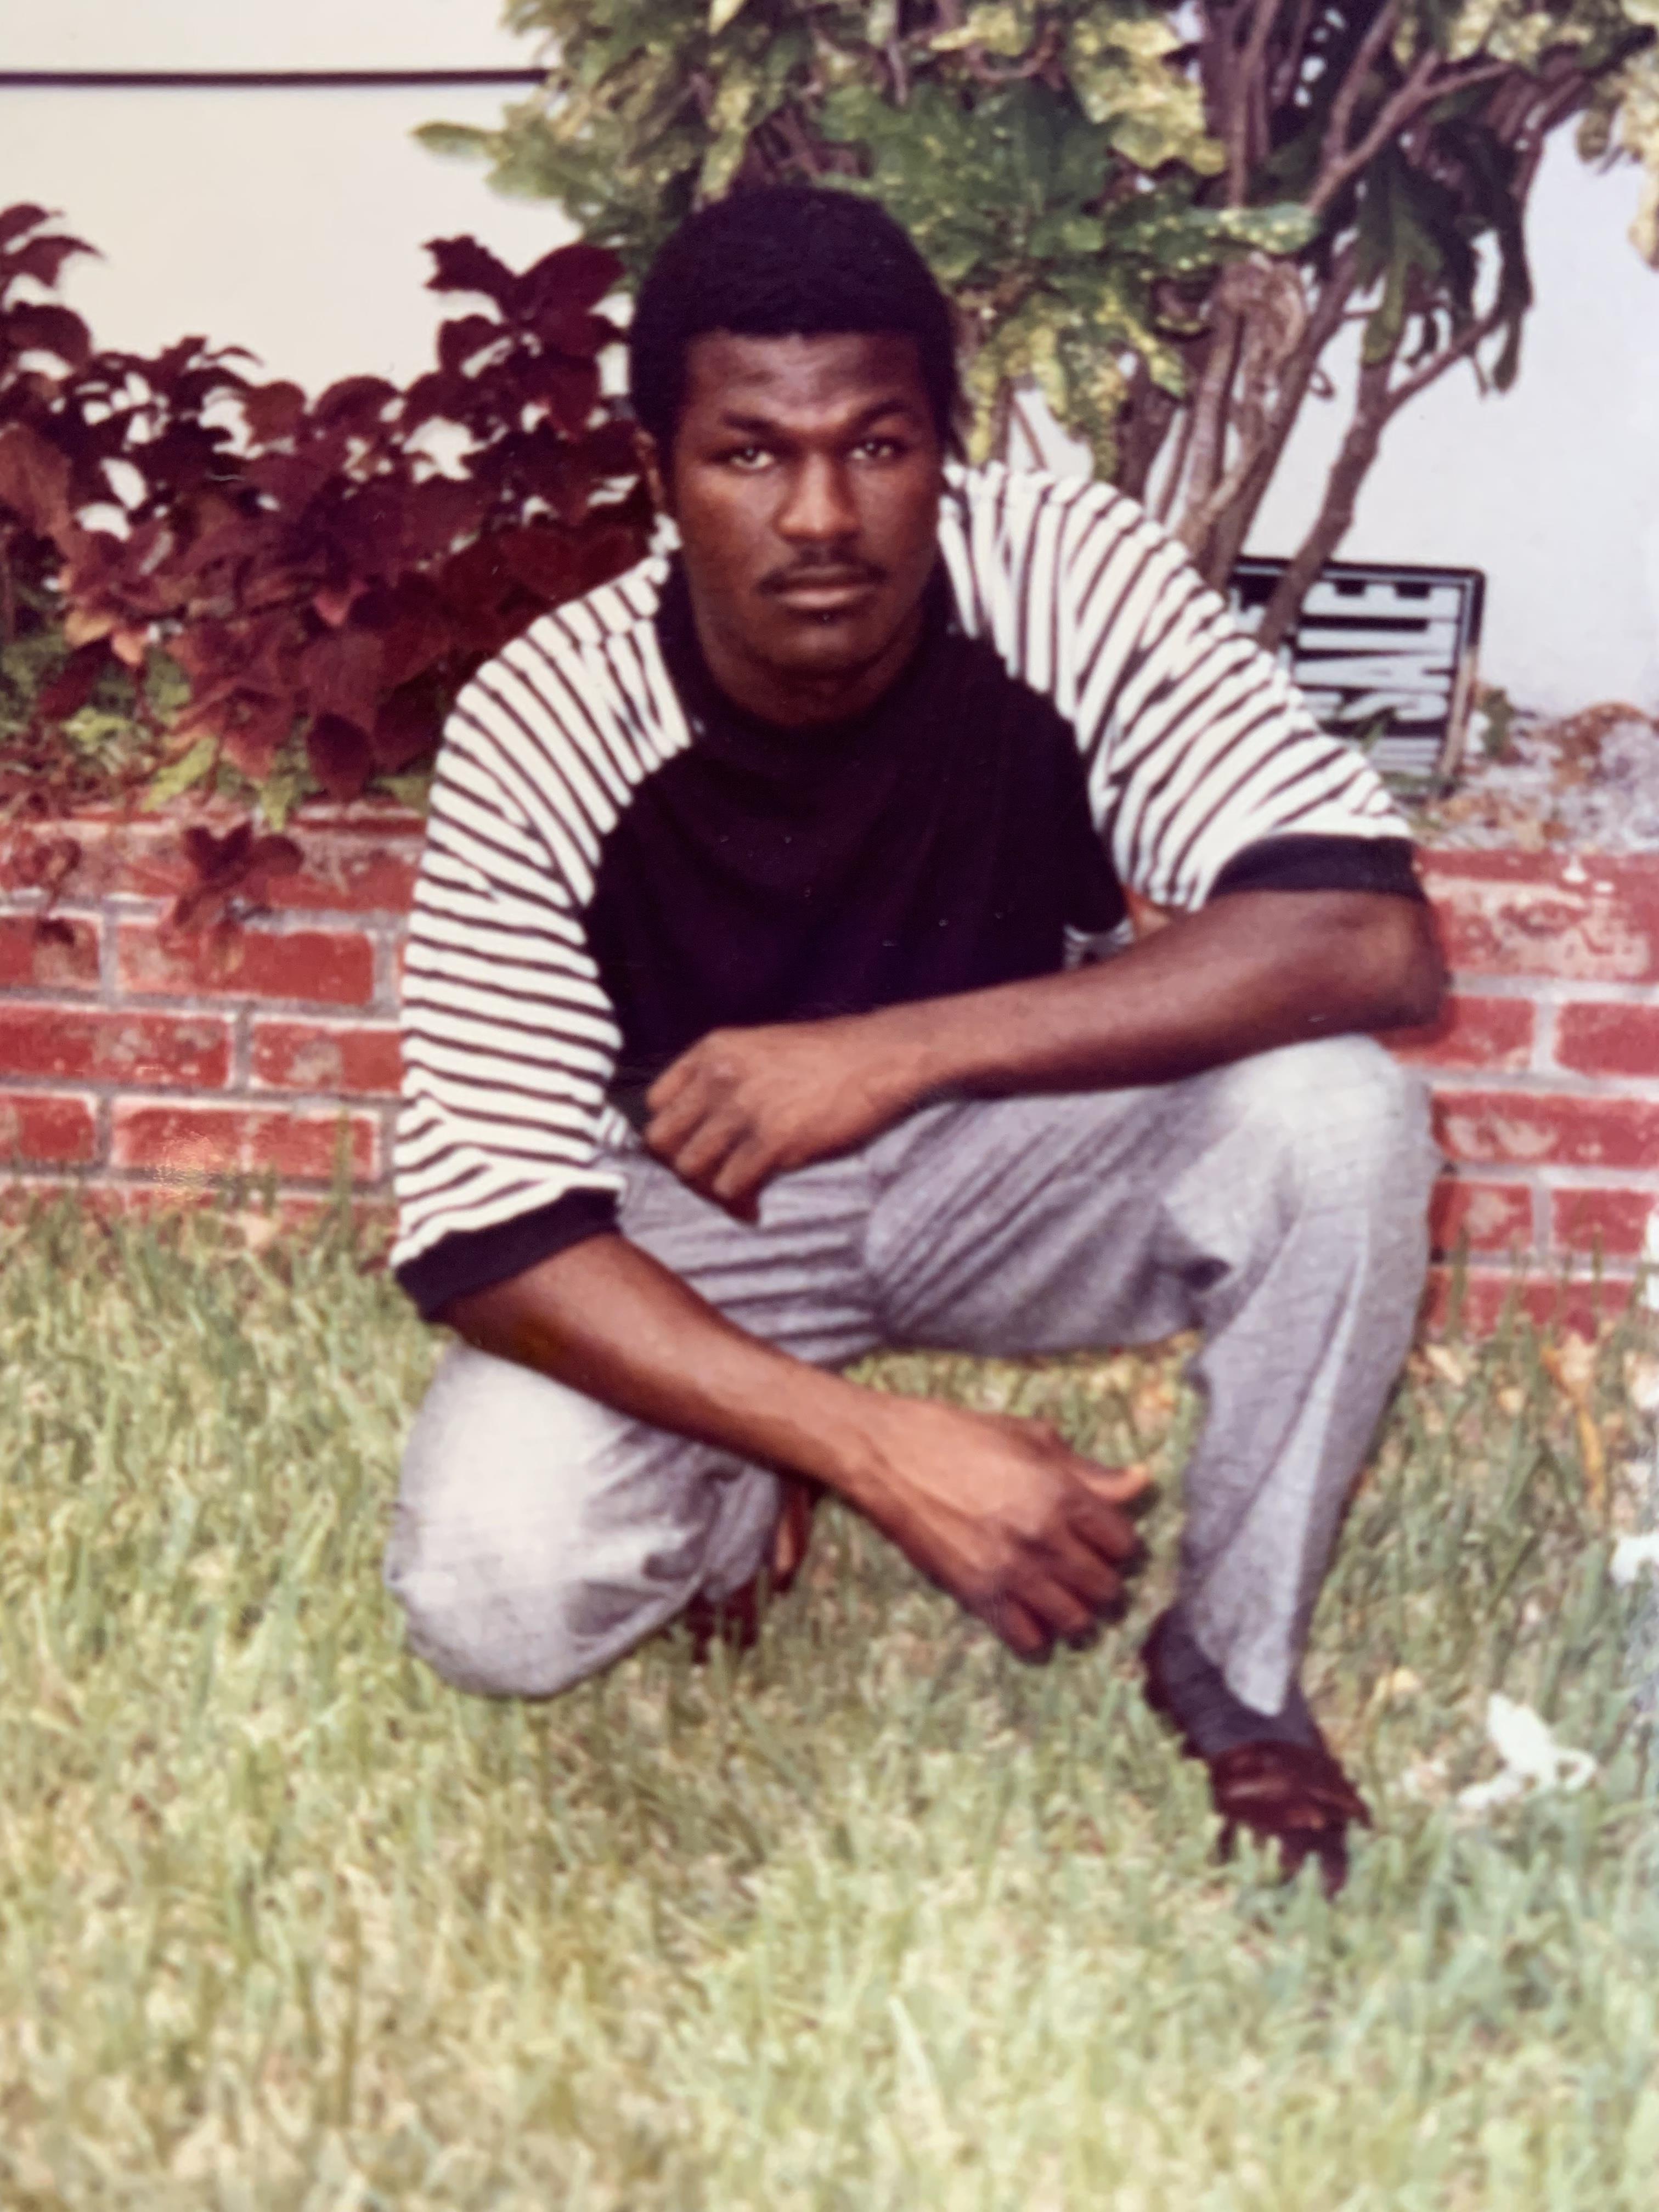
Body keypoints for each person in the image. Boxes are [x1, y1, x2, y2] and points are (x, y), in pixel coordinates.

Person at [385, 185, 1443, 1896]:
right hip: (700, 1210)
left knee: (1344, 1118)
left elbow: (1368, 936)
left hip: (1017, 1149)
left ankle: (1236, 1676)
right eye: (749, 455)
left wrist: (898, 1047)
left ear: (945, 448)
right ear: (658, 477)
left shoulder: (1062, 572)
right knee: (493, 1599)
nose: (822, 515)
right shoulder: (547, 715)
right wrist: (862, 1444)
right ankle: (753, 1457)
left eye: (878, 446)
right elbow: (485, 1231)